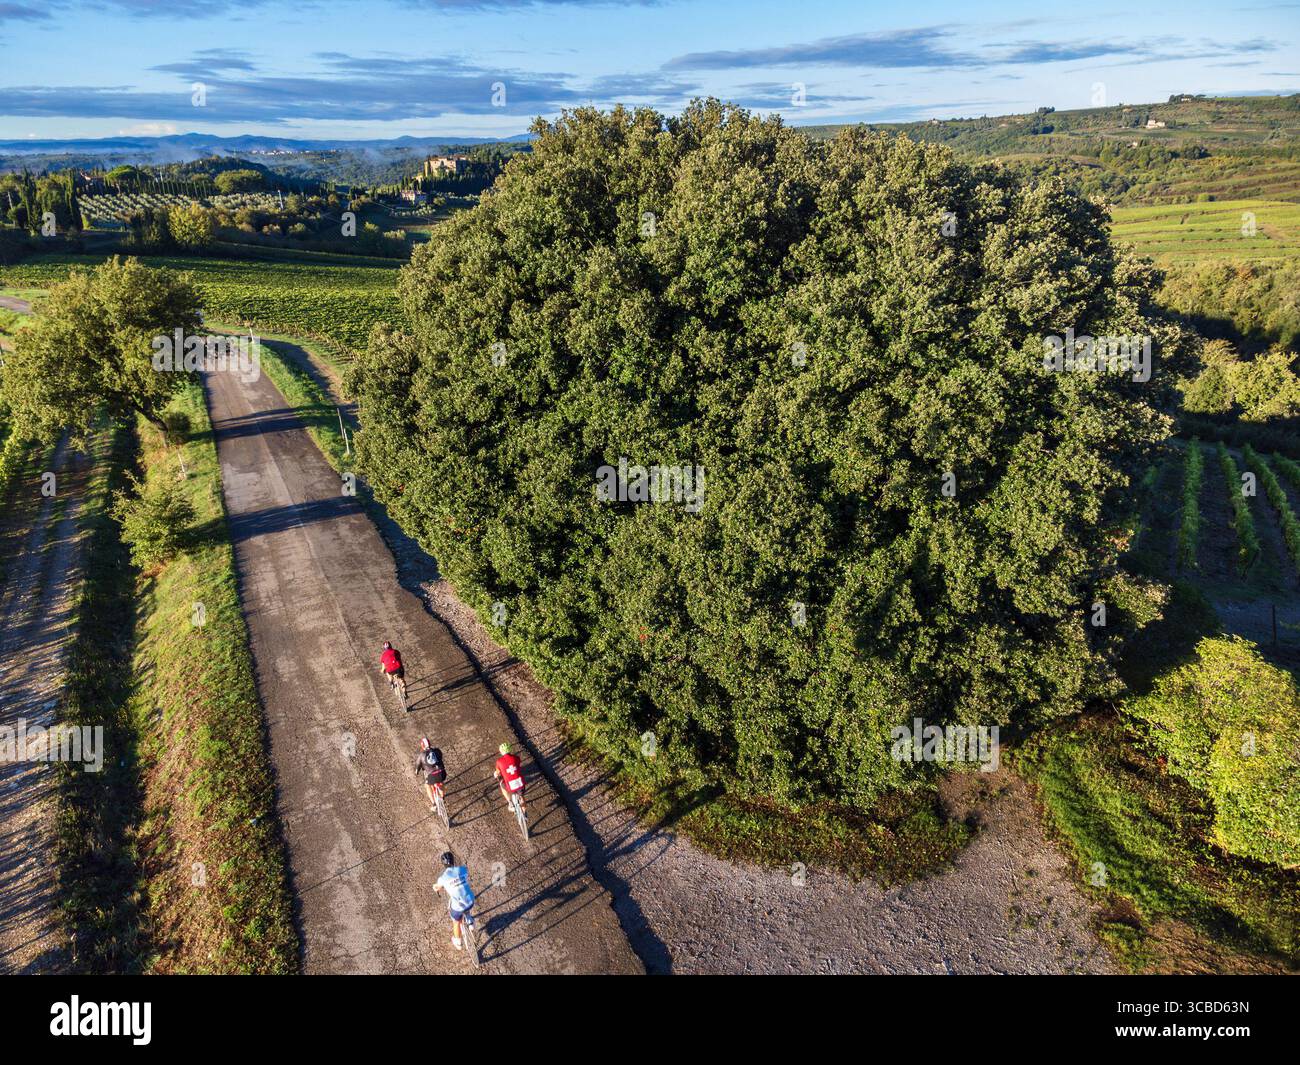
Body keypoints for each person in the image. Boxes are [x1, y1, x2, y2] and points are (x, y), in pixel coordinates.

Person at [434, 851, 475, 950]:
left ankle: (458, 941)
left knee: (456, 921)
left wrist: (435, 888)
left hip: (458, 906)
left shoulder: (442, 878)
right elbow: (464, 876)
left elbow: (438, 887)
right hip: (471, 901)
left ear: (443, 863)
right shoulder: (462, 869)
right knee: (465, 898)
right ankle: (470, 921)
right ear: (453, 860)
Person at [414, 737, 447, 811]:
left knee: (427, 786)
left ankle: (434, 804)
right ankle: (442, 797)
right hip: (442, 773)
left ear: (422, 746)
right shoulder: (437, 751)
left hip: (432, 776)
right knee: (440, 782)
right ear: (430, 743)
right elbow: (440, 758)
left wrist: (416, 771)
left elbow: (417, 766)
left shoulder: (421, 755)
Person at [494, 742, 525, 816]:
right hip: (520, 783)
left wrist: (496, 775)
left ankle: (510, 803)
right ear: (510, 749)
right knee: (522, 797)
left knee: (502, 784)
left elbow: (498, 772)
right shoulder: (517, 758)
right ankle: (524, 813)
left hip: (509, 786)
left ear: (501, 751)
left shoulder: (499, 762)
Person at [379, 641, 407, 706]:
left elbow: (383, 668)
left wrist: (382, 671)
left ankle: (391, 682)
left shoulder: (383, 655)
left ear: (384, 648)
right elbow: (399, 660)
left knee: (387, 672)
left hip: (390, 670)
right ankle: (403, 688)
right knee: (401, 679)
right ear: (391, 646)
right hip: (398, 668)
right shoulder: (396, 651)